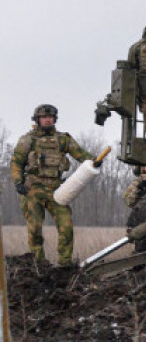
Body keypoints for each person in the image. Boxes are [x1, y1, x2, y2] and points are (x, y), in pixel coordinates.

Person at [10, 104, 98, 266]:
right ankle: (39, 263)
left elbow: (80, 154)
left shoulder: (63, 139)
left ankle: (65, 264)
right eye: (44, 117)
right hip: (33, 189)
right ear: (38, 119)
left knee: (66, 227)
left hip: (57, 190)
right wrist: (18, 181)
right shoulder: (28, 140)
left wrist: (94, 161)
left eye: (50, 117)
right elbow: (16, 162)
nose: (48, 119)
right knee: (35, 229)